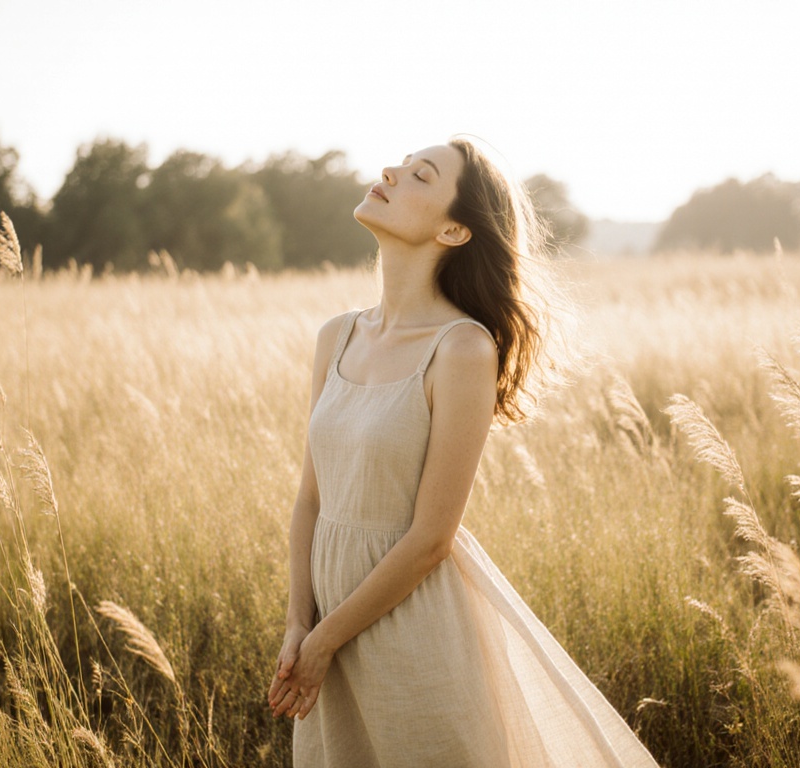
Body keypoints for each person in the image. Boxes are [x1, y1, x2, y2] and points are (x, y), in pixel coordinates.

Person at [267, 138, 658, 767]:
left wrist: (323, 642)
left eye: (421, 175)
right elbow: (311, 498)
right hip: (324, 633)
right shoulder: (336, 336)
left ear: (453, 228)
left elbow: (430, 539)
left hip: (409, 629)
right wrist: (298, 625)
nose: (390, 171)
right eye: (401, 163)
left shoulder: (462, 349)